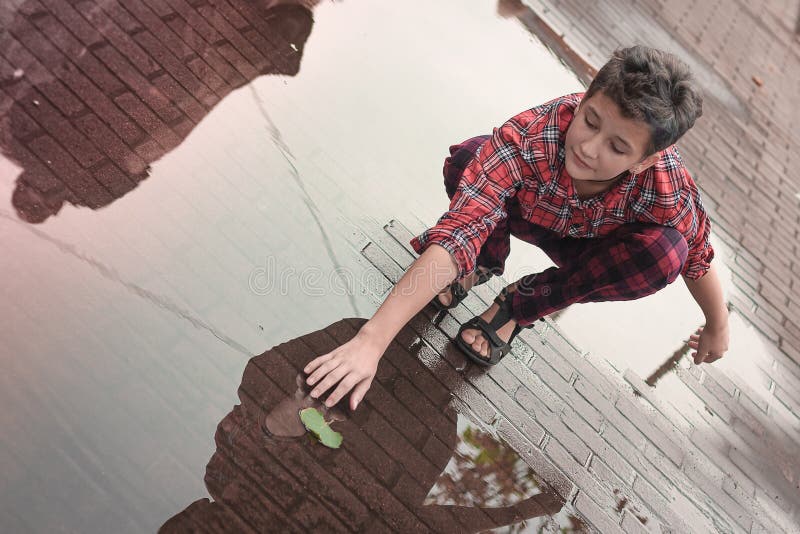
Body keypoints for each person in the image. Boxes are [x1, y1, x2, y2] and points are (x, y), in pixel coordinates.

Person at [304, 45, 730, 411]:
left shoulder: (665, 184)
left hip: (591, 253)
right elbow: (460, 230)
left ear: (644, 159)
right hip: (524, 212)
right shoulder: (531, 137)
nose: (587, 146)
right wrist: (371, 341)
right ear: (584, 99)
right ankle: (480, 263)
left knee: (665, 254)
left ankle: (518, 307)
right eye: (591, 121)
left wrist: (717, 325)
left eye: (617, 147)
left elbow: (696, 256)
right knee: (470, 158)